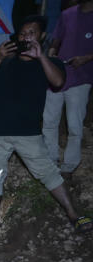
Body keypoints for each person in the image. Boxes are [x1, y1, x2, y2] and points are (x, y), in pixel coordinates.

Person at [0, 15, 92, 236]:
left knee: (48, 173)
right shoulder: (6, 61)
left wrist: (41, 58)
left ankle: (73, 214)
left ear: (42, 36)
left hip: (28, 132)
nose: (26, 37)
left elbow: (58, 82)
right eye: (22, 33)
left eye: (32, 33)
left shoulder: (50, 63)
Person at [42, 0, 93, 178]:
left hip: (82, 77)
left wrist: (86, 58)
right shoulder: (67, 14)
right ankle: (51, 160)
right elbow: (56, 40)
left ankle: (69, 167)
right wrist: (52, 52)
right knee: (49, 121)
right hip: (58, 75)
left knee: (74, 126)